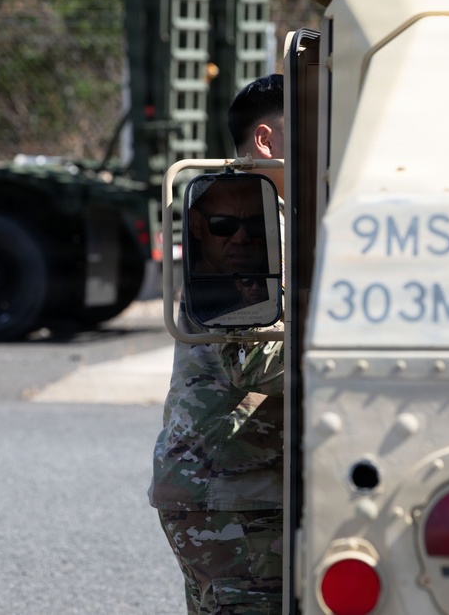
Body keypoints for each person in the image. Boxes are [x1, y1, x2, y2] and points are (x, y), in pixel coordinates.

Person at [150, 74, 286, 614]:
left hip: (227, 482)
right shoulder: (241, 220)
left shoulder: (265, 217)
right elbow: (250, 360)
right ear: (265, 140)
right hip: (230, 488)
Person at [186, 175, 270, 323]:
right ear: (196, 224)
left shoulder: (273, 281)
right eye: (224, 224)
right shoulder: (195, 302)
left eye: (255, 224)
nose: (241, 239)